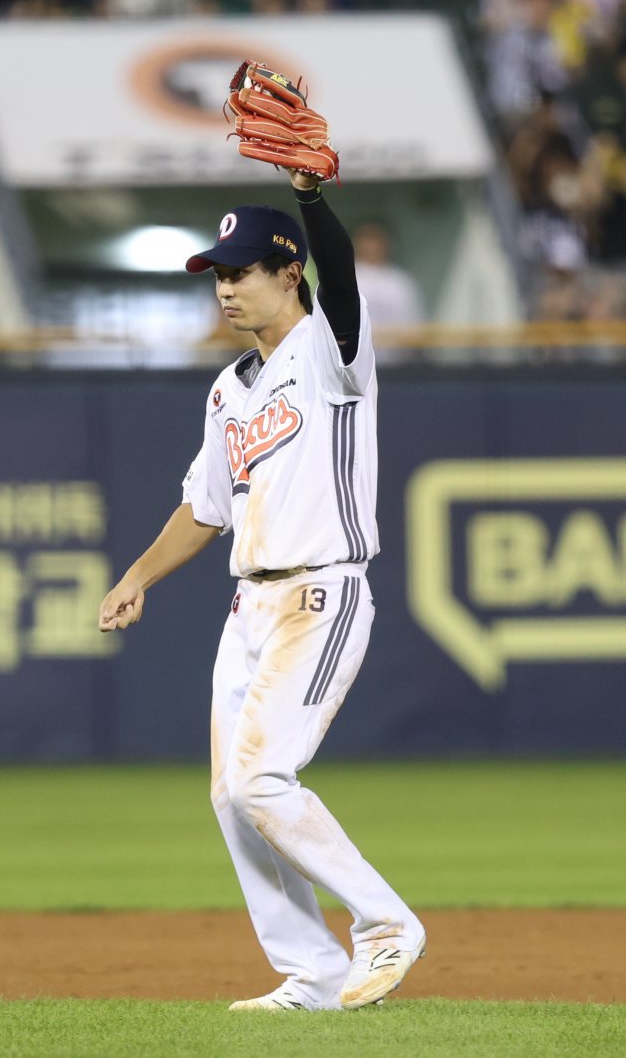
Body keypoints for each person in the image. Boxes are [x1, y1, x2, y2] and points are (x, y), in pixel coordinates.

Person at [97, 168, 424, 1012]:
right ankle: (311, 971)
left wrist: (314, 201)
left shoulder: (332, 351)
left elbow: (342, 276)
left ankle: (386, 925)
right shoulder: (227, 390)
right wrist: (137, 575)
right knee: (230, 795)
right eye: (220, 275)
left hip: (321, 593)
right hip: (248, 605)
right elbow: (204, 508)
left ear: (288, 273)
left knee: (260, 779)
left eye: (241, 271)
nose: (228, 289)